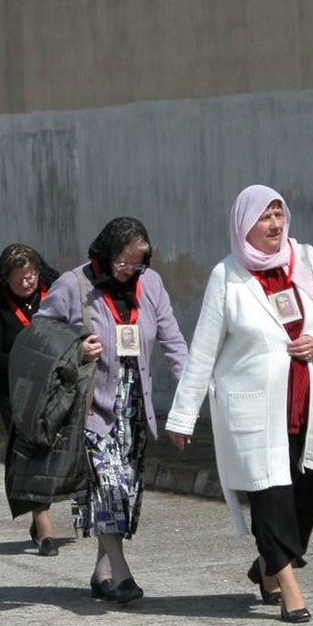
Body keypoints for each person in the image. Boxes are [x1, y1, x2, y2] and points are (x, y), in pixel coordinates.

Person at [165, 186, 313, 623]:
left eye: (278, 214)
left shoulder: (306, 259)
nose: (274, 225)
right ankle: (290, 588)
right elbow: (203, 350)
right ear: (244, 225)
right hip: (252, 412)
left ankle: (268, 567)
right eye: (264, 217)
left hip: (304, 405)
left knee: (303, 499)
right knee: (271, 498)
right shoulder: (227, 276)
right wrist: (183, 415)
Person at [34, 217, 188, 602]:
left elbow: (173, 342)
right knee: (107, 487)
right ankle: (121, 574)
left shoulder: (151, 284)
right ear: (106, 252)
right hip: (91, 407)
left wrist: (191, 396)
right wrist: (76, 347)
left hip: (135, 408)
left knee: (124, 494)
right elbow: (40, 333)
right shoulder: (73, 285)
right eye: (123, 262)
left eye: (138, 263)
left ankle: (101, 572)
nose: (129, 270)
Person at [0, 243, 65, 554]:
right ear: (7, 280)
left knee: (53, 455)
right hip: (18, 394)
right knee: (30, 455)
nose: (27, 283)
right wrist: (24, 360)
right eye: (19, 280)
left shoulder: (54, 297)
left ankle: (39, 515)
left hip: (55, 390)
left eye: (31, 276)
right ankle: (44, 524)